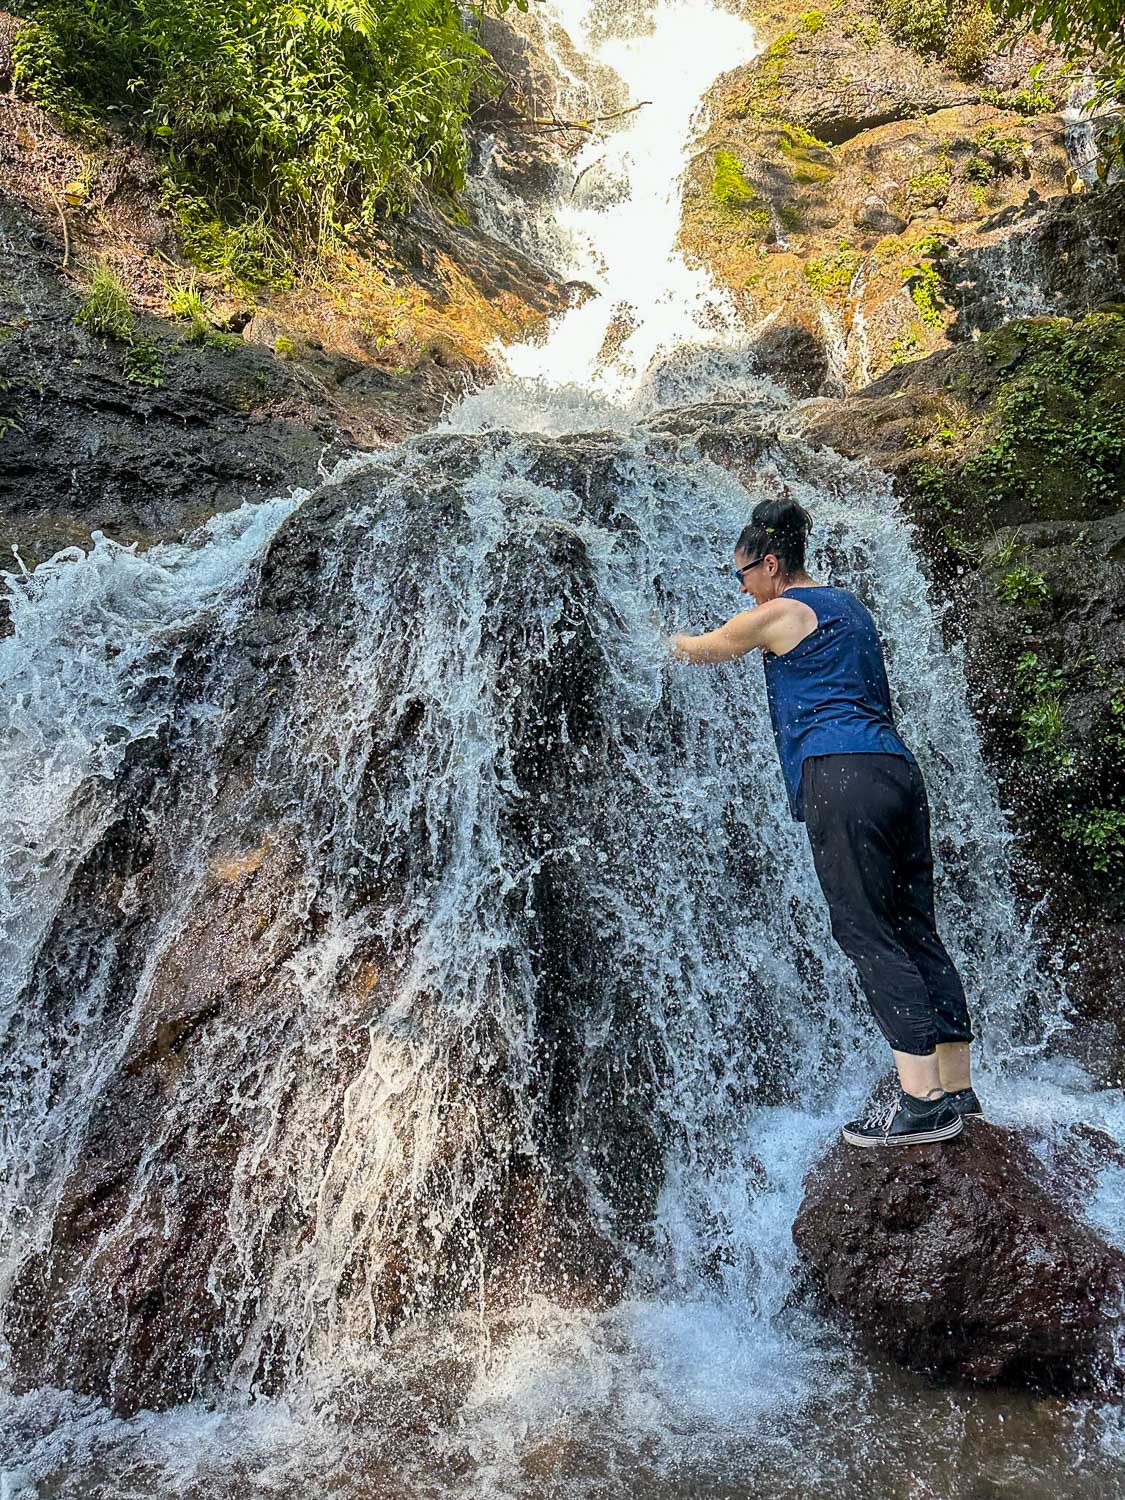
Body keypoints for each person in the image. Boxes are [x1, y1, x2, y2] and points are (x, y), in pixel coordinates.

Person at [669, 497, 982, 1148]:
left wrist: (646, 635)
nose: (743, 587)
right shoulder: (851, 606)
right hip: (896, 771)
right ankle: (956, 1087)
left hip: (840, 776)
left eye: (743, 574)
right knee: (913, 925)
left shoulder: (779, 612)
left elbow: (702, 650)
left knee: (865, 932)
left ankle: (921, 1103)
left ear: (771, 563)